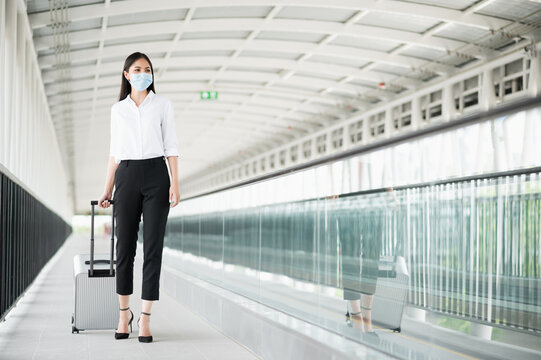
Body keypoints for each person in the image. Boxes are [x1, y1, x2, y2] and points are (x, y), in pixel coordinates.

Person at [97, 51, 180, 343]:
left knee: (153, 248)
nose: (143, 73)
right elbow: (115, 153)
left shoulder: (163, 105)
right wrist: (107, 189)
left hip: (157, 175)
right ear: (126, 75)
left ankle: (145, 318)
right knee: (125, 251)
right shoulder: (118, 110)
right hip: (127, 176)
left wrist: (175, 184)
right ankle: (124, 315)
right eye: (137, 69)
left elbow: (171, 146)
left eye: (147, 69)